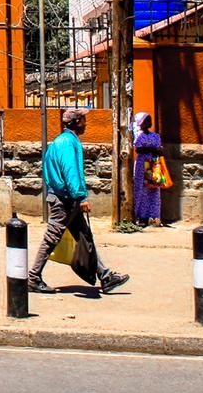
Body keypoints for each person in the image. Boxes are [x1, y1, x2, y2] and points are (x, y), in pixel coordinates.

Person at [27, 107, 130, 295]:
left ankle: (105, 276)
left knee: (85, 236)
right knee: (51, 238)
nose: (86, 123)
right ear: (75, 122)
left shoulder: (61, 141)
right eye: (83, 119)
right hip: (65, 200)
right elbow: (71, 172)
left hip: (64, 198)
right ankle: (33, 277)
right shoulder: (67, 143)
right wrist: (81, 196)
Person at [132, 112, 164, 227]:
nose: (149, 122)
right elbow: (138, 149)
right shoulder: (138, 135)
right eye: (146, 120)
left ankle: (154, 216)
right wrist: (152, 148)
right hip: (142, 166)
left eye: (150, 120)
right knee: (141, 190)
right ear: (140, 122)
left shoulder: (155, 136)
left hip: (153, 165)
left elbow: (159, 150)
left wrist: (151, 149)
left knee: (153, 190)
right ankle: (141, 217)